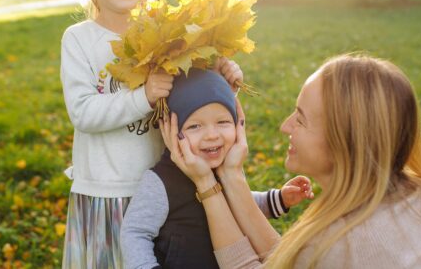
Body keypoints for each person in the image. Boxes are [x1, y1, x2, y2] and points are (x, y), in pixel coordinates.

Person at [162, 54, 421, 268]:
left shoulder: (349, 242)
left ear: (343, 141)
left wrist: (207, 183)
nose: (285, 126)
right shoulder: (419, 196)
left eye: (301, 120)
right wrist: (231, 175)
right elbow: (287, 262)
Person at [59, 0, 243, 267]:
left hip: (168, 190)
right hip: (109, 193)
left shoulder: (172, 34)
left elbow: (195, 109)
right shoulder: (80, 39)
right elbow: (83, 112)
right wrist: (143, 97)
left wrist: (224, 85)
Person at [120, 69, 313, 269]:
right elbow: (135, 232)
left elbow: (238, 204)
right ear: (171, 130)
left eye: (223, 122)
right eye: (195, 126)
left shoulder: (226, 166)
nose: (212, 135)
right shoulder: (161, 181)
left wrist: (277, 199)